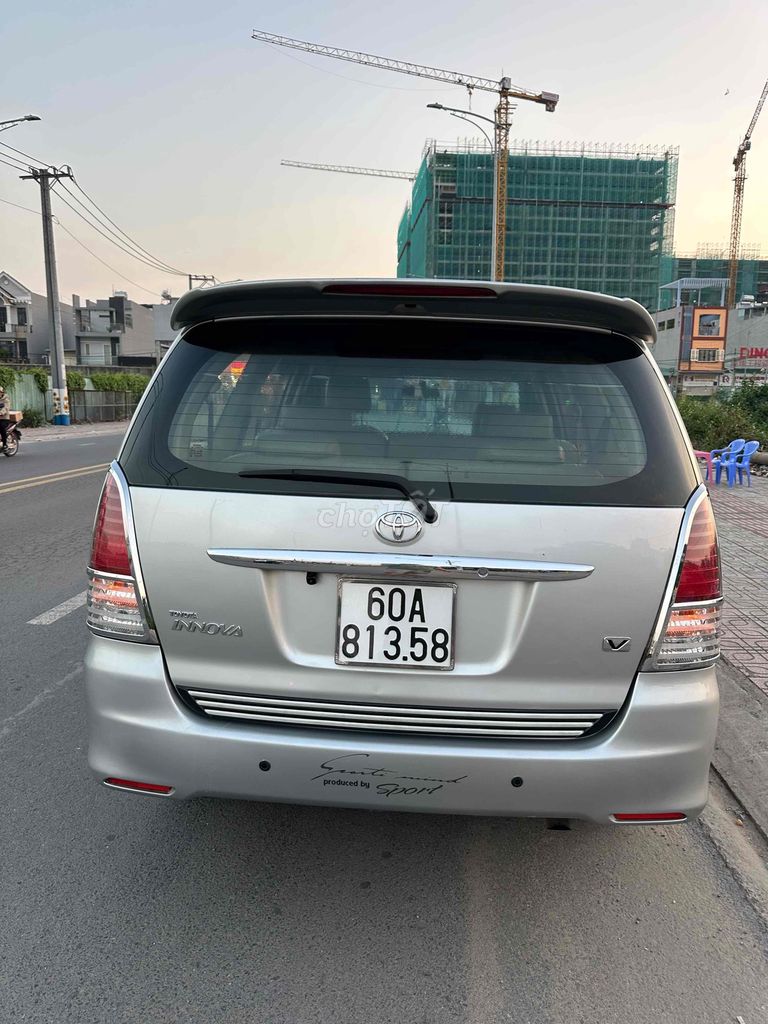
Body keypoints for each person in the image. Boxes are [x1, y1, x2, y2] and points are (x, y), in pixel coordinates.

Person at [0, 385, 11, 452]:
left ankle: (5, 445)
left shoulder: (6, 399)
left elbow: (6, 408)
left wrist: (1, 412)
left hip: (4, 419)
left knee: (1, 427)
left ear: (2, 392)